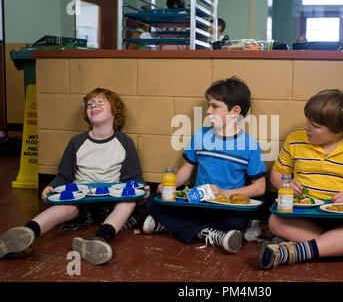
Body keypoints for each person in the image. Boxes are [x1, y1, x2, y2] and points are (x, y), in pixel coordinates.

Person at [0, 88, 150, 265]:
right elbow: (64, 175)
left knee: (128, 203)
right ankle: (27, 231)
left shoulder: (125, 142)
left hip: (112, 200)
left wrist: (142, 188)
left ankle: (100, 239)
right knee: (66, 207)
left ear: (114, 110)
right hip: (81, 199)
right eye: (89, 104)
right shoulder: (77, 142)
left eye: (100, 101)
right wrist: (52, 187)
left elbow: (132, 177)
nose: (93, 105)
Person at [257, 89, 343, 271]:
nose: (307, 127)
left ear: (338, 131)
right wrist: (285, 184)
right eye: (307, 121)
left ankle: (297, 252)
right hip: (306, 215)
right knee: (275, 221)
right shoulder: (295, 140)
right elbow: (277, 173)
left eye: (315, 126)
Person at [144, 76, 267, 254]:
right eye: (208, 105)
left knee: (236, 222)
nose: (208, 111)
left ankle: (170, 226)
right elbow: (187, 169)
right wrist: (170, 185)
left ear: (235, 111)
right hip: (197, 203)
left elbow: (260, 187)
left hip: (226, 207)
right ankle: (209, 233)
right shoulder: (201, 136)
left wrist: (224, 193)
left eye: (215, 106)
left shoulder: (250, 145)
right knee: (152, 203)